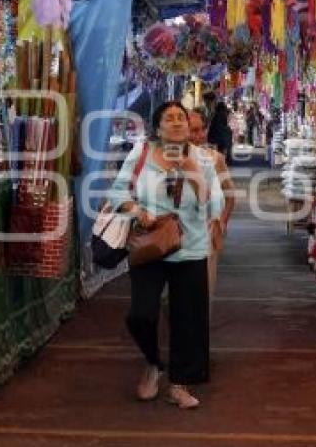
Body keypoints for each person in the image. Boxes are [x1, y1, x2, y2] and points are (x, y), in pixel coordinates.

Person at [107, 101, 224, 409]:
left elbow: (215, 207)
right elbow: (117, 192)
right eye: (168, 118)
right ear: (158, 128)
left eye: (180, 118)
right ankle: (153, 362)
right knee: (140, 315)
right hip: (150, 245)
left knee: (188, 320)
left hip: (191, 247)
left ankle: (179, 384)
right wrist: (137, 211)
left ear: (188, 126)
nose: (176, 122)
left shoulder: (203, 159)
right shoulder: (141, 154)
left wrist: (194, 173)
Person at [188, 109, 236, 302]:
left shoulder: (215, 159)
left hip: (207, 232)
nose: (198, 136)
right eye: (193, 130)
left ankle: (199, 329)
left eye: (201, 130)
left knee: (204, 290)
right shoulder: (170, 158)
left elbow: (231, 196)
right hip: (179, 234)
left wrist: (221, 223)